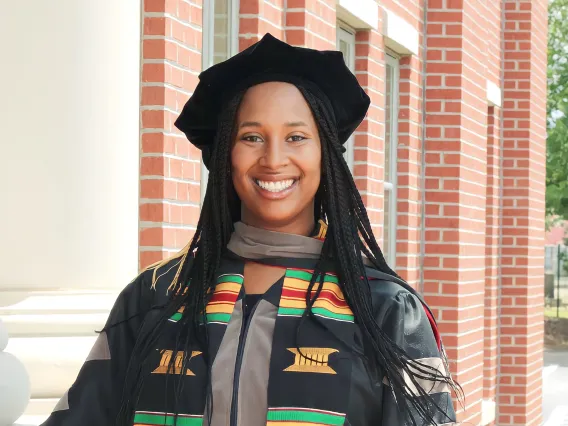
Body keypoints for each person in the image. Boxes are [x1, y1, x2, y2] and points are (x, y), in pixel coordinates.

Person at [41, 33, 459, 426]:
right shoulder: (157, 297)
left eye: (296, 136)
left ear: (325, 156)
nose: (273, 159)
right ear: (226, 155)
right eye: (252, 137)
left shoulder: (384, 311)